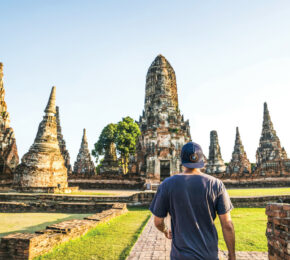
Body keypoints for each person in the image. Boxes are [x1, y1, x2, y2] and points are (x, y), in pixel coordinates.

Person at [149, 142, 235, 260]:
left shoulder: (167, 184)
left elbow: (158, 222)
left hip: (180, 256)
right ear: (202, 161)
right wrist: (232, 255)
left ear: (181, 160)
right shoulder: (216, 184)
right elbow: (227, 225)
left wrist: (165, 230)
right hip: (208, 255)